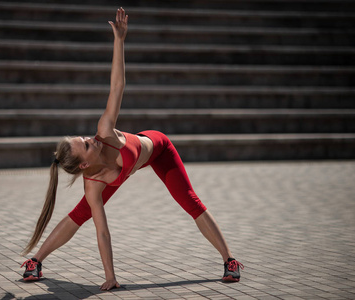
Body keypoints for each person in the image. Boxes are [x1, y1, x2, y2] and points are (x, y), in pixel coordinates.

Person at [20, 8, 243, 290]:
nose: (92, 139)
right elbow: (102, 232)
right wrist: (110, 277)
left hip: (158, 149)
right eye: (87, 145)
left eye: (85, 137)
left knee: (190, 201)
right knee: (81, 213)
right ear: (85, 165)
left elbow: (117, 86)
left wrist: (120, 41)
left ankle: (230, 261)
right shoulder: (93, 186)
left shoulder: (104, 130)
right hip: (118, 172)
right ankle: (36, 261)